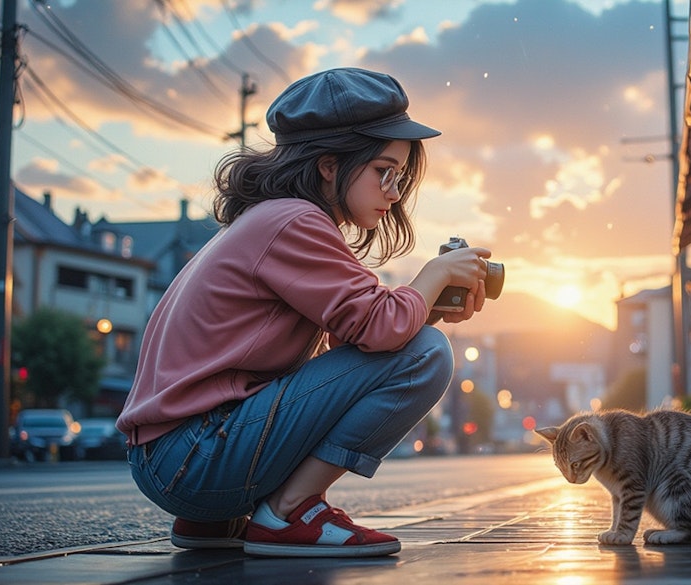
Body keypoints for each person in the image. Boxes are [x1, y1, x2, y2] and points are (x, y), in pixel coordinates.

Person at [116, 67, 492, 558]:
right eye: (385, 172)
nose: (395, 193)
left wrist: (423, 308)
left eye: (400, 177)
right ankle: (288, 512)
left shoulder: (269, 217)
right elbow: (382, 331)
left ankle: (216, 518)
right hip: (192, 458)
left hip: (175, 458)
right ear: (329, 165)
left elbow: (354, 345)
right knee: (425, 354)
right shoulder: (294, 220)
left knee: (413, 338)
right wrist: (432, 278)